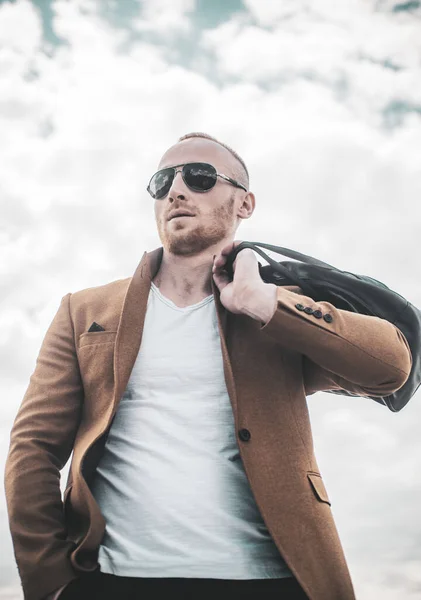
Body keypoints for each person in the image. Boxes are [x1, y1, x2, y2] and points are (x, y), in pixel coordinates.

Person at [4, 132, 412, 600]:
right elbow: (33, 448)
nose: (177, 190)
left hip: (273, 579)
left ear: (245, 203)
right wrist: (49, 582)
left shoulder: (280, 310)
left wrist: (263, 301)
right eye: (163, 182)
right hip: (114, 580)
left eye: (199, 177)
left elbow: (390, 367)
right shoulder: (84, 310)